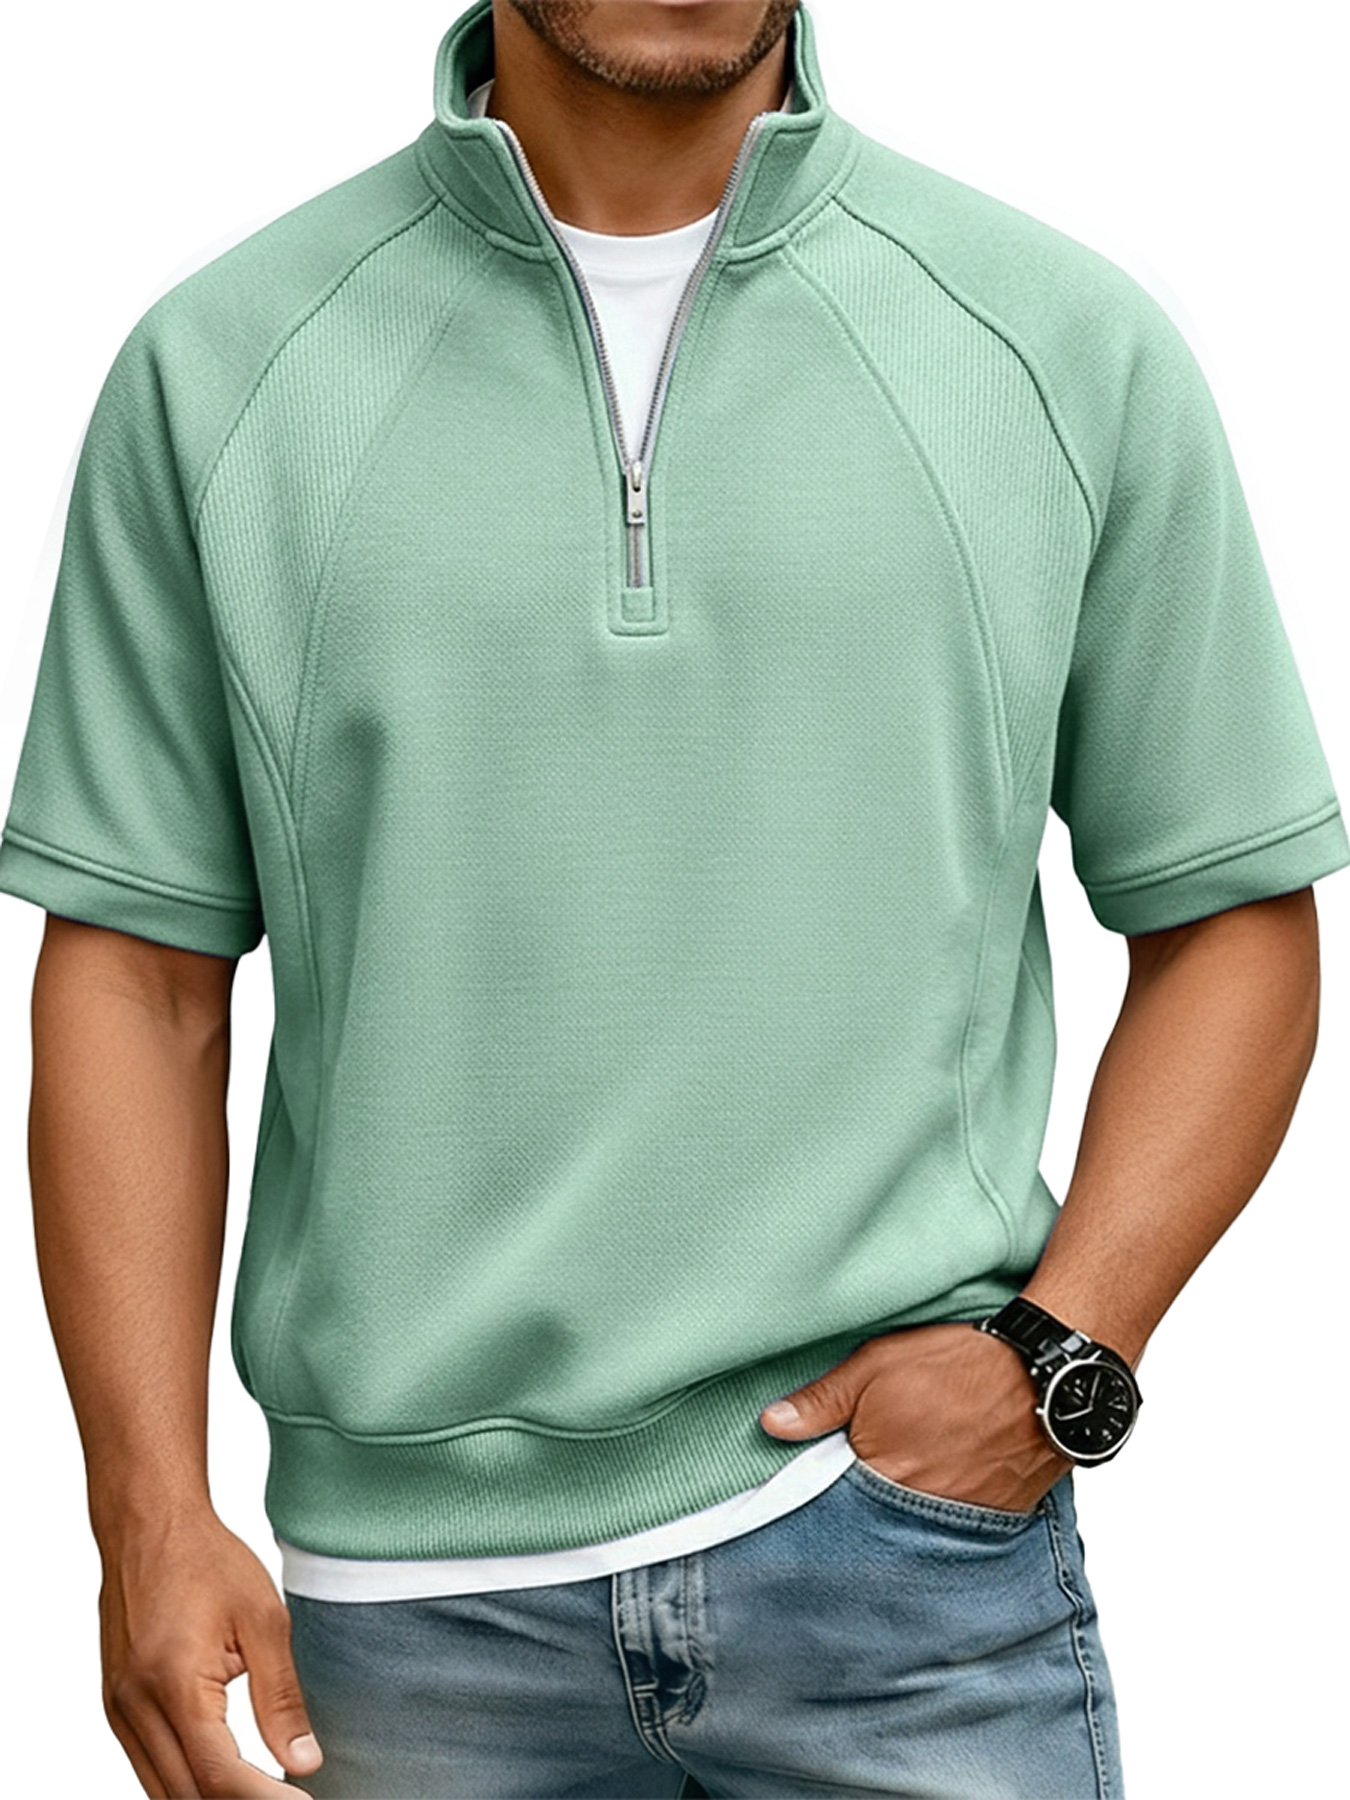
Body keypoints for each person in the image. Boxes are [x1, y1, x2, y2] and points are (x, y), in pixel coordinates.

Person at [1, 0, 1346, 1795]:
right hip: (407, 1622)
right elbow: (137, 981)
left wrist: (1057, 1352)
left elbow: (1229, 913)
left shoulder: (1052, 342)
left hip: (904, 1574)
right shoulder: (225, 367)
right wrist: (147, 1517)